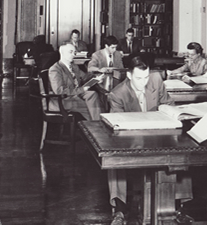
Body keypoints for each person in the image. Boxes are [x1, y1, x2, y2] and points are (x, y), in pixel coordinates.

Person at [107, 56, 191, 225]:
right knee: (114, 160)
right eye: (139, 78)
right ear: (129, 75)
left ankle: (178, 207)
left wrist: (171, 112)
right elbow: (117, 125)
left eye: (146, 77)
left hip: (159, 136)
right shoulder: (117, 94)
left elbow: (168, 103)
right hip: (131, 140)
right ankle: (120, 210)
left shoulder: (156, 80)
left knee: (182, 153)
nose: (143, 82)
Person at [48, 43, 104, 121]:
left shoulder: (74, 66)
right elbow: (59, 91)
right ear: (62, 52)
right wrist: (82, 90)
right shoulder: (55, 69)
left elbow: (85, 77)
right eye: (70, 52)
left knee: (93, 95)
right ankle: (97, 126)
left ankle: (97, 123)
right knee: (92, 107)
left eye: (74, 52)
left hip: (75, 94)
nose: (73, 55)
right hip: (63, 100)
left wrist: (97, 78)